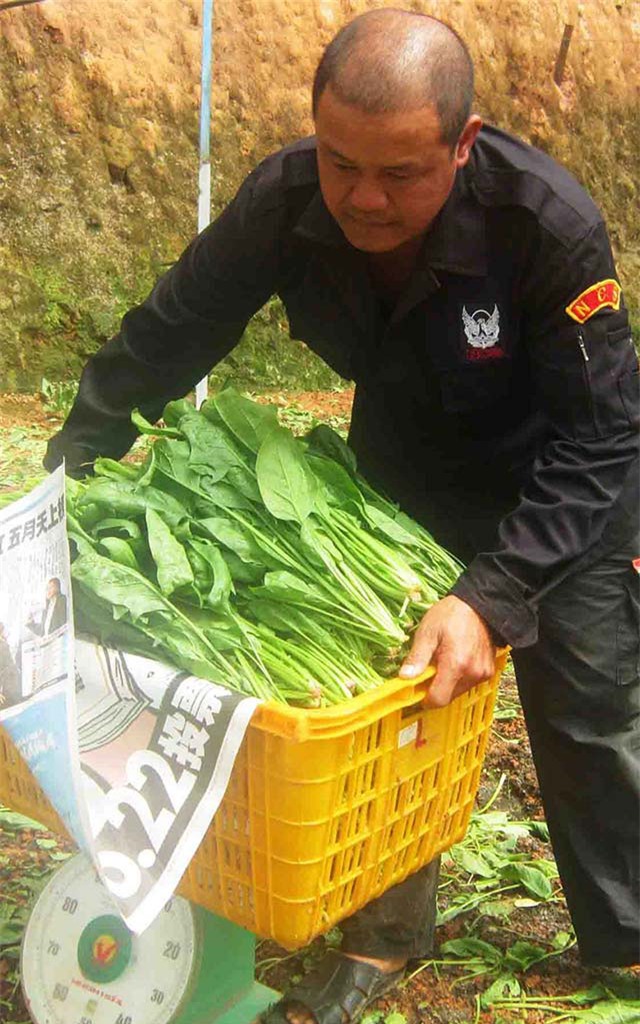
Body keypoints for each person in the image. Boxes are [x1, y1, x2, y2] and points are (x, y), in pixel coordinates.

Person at [44, 9, 639, 1023]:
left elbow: (603, 436)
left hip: (551, 477)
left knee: (587, 698)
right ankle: (384, 936)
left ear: (463, 141)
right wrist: (67, 468)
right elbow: (173, 329)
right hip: (401, 464)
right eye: (339, 161)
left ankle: (625, 937)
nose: (362, 196)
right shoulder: (283, 201)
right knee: (394, 703)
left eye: (401, 173)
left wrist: (492, 595)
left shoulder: (545, 222)